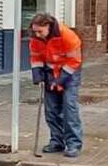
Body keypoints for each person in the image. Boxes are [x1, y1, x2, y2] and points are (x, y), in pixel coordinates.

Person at [28, 13, 84, 158]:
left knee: (69, 107)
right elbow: (36, 57)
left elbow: (74, 61)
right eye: (35, 31)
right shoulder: (36, 39)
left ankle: (73, 144)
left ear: (48, 26)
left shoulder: (68, 36)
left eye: (40, 31)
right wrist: (37, 75)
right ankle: (57, 141)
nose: (37, 34)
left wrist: (59, 81)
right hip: (50, 72)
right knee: (51, 109)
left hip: (69, 73)